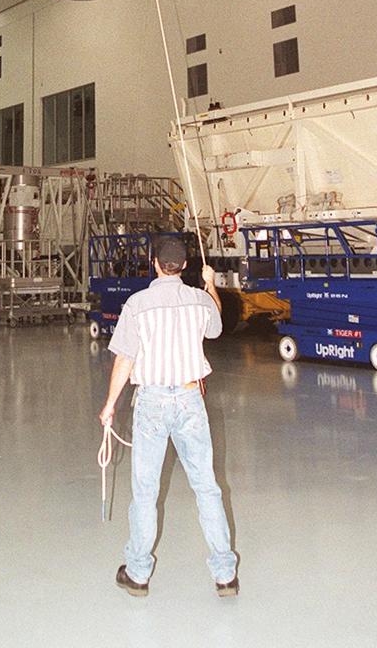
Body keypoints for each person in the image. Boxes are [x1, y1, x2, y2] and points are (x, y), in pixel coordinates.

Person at [99, 234, 238, 599]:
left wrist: (110, 404)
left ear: (155, 264)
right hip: (191, 400)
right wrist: (211, 287)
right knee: (207, 487)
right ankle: (225, 575)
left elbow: (124, 359)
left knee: (145, 491)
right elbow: (217, 327)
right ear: (186, 266)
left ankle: (139, 574)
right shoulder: (199, 300)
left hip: (153, 403)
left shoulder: (138, 304)